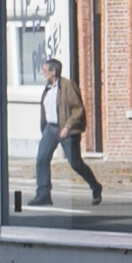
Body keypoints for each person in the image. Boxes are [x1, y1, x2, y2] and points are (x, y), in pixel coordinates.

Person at [34, 50, 102, 207]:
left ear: (53, 71)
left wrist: (67, 126)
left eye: (44, 70)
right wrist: (44, 128)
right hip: (50, 130)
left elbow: (78, 109)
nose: (42, 73)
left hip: (67, 130)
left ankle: (95, 186)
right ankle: (43, 194)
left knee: (75, 163)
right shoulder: (48, 88)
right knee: (41, 160)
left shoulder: (67, 86)